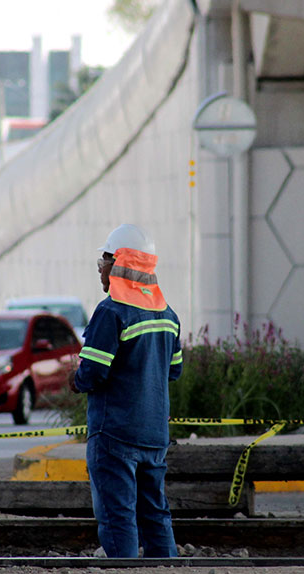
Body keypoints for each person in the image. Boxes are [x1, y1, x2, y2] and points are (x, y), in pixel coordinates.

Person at [73, 223, 183, 558]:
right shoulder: (168, 316)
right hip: (153, 436)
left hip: (114, 434)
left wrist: (74, 380)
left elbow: (91, 373)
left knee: (117, 517)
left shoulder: (111, 312)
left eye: (103, 263)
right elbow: (173, 371)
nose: (101, 272)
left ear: (117, 263)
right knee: (155, 515)